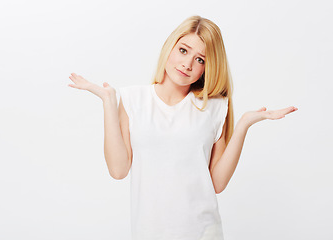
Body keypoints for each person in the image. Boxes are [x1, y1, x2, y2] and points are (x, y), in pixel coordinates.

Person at [68, 15, 298, 240]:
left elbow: (217, 183)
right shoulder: (132, 99)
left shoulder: (215, 107)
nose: (187, 64)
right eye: (183, 50)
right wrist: (109, 102)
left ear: (207, 68)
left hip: (203, 232)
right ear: (170, 47)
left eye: (201, 60)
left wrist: (244, 124)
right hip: (149, 232)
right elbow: (118, 170)